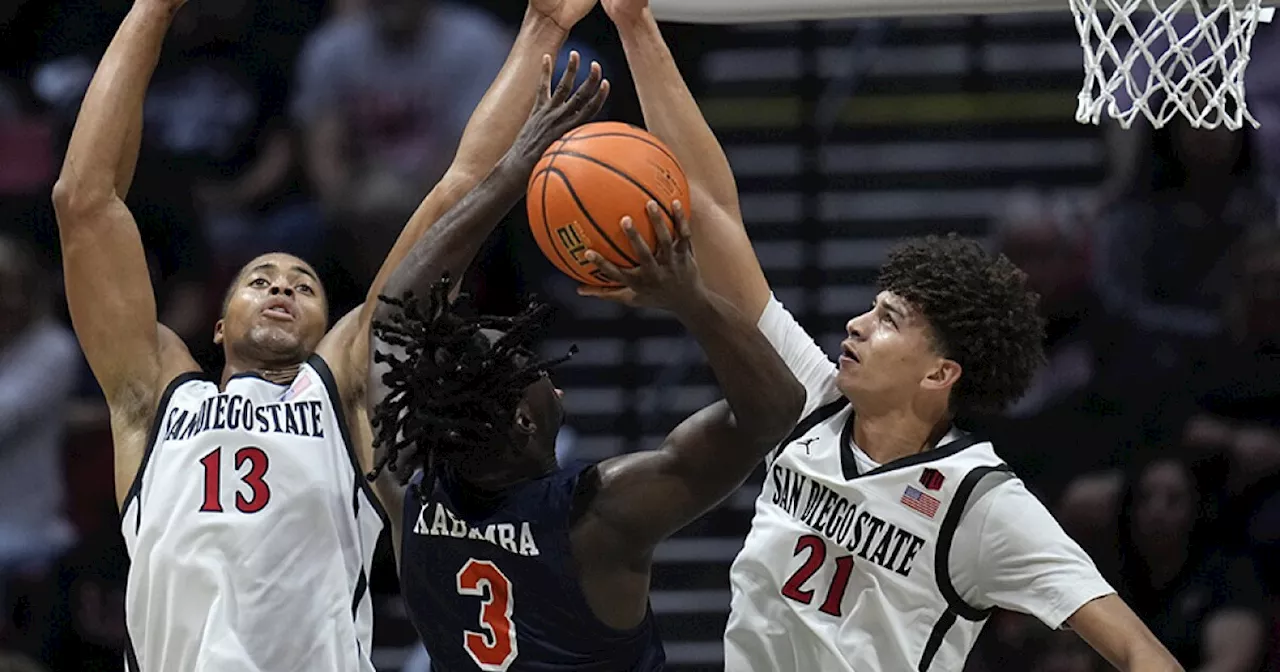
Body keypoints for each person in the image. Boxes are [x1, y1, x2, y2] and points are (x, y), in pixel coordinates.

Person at [590, 0, 1183, 670]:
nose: (855, 324)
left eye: (888, 320)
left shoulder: (979, 502)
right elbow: (711, 204)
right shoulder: (805, 401)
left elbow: (1141, 651)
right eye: (872, 308)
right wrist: (636, 26)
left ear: (939, 373)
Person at [49, 0, 598, 668]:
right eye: (261, 280)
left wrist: (542, 25)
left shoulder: (340, 389)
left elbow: (455, 191)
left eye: (303, 286)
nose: (282, 286)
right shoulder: (153, 397)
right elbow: (84, 201)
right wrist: (153, 11)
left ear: (322, 326)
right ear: (218, 328)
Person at [364, 55, 805, 671]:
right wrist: (690, 298)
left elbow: (392, 317)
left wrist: (511, 172)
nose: (547, 371)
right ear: (524, 420)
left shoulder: (409, 493)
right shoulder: (597, 519)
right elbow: (776, 410)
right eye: (526, 364)